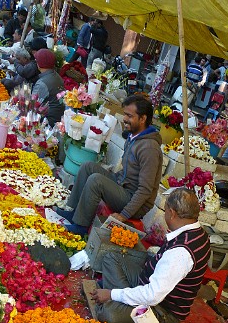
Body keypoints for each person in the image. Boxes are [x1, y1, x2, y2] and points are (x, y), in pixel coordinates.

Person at [90, 188, 211, 323]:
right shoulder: (198, 232)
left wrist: (111, 294)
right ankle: (123, 299)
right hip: (147, 284)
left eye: (165, 210)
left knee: (109, 315)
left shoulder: (180, 253)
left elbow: (153, 296)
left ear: (172, 213)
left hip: (162, 310)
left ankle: (118, 300)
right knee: (111, 257)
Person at [58, 94, 162, 236]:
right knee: (88, 166)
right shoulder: (134, 137)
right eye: (125, 114)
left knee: (96, 180)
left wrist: (124, 215)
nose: (124, 119)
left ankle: (81, 226)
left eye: (129, 116)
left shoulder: (149, 148)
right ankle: (74, 212)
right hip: (123, 187)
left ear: (143, 119)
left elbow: (145, 190)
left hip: (134, 202)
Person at [31, 49, 64, 127]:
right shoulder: (56, 76)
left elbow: (32, 106)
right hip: (58, 117)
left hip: (47, 121)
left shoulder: (42, 83)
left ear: (39, 64)